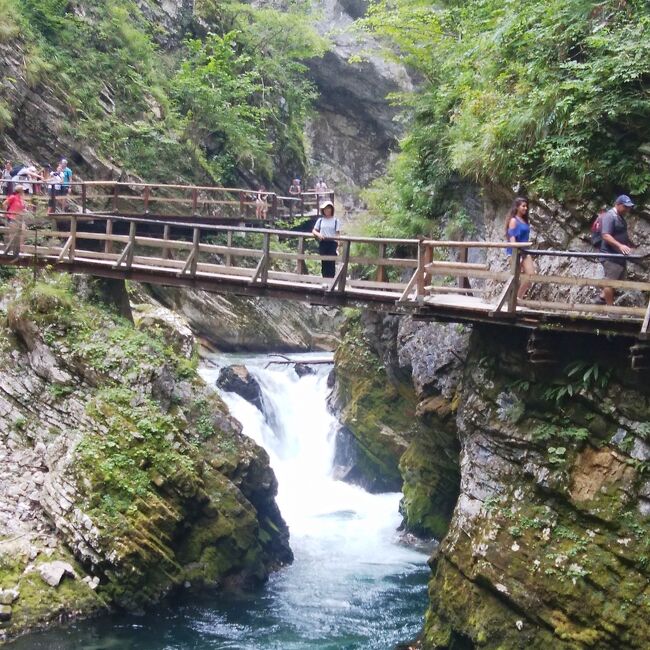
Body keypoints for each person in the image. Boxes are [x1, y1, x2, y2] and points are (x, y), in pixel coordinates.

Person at [599, 194, 635, 306]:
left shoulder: (620, 217)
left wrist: (629, 246)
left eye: (629, 207)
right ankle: (610, 309)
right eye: (625, 207)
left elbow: (620, 234)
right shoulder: (610, 216)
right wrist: (620, 246)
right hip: (610, 256)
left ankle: (600, 299)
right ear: (618, 204)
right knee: (610, 283)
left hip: (619, 257)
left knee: (616, 283)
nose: (627, 209)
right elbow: (605, 235)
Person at [505, 197, 534, 299]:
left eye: (526, 206)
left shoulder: (524, 220)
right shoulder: (513, 220)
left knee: (530, 275)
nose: (525, 208)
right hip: (516, 252)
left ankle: (517, 299)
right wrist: (517, 255)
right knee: (516, 277)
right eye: (523, 206)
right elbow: (512, 239)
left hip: (525, 251)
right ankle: (513, 301)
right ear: (517, 207)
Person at [312, 200, 340, 278]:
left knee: (331, 263)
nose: (327, 210)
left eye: (329, 208)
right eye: (325, 208)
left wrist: (338, 246)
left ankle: (331, 282)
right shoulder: (320, 220)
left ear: (332, 209)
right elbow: (314, 230)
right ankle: (324, 281)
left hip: (332, 243)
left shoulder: (336, 221)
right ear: (323, 210)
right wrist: (318, 234)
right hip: (323, 243)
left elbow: (337, 234)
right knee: (324, 262)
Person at [2, 185, 26, 257]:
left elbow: (21, 208)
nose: (24, 192)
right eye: (23, 190)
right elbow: (4, 203)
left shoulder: (20, 199)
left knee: (17, 236)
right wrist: (6, 213)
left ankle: (15, 253)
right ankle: (7, 252)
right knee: (13, 236)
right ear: (20, 191)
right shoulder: (13, 197)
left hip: (19, 219)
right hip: (13, 218)